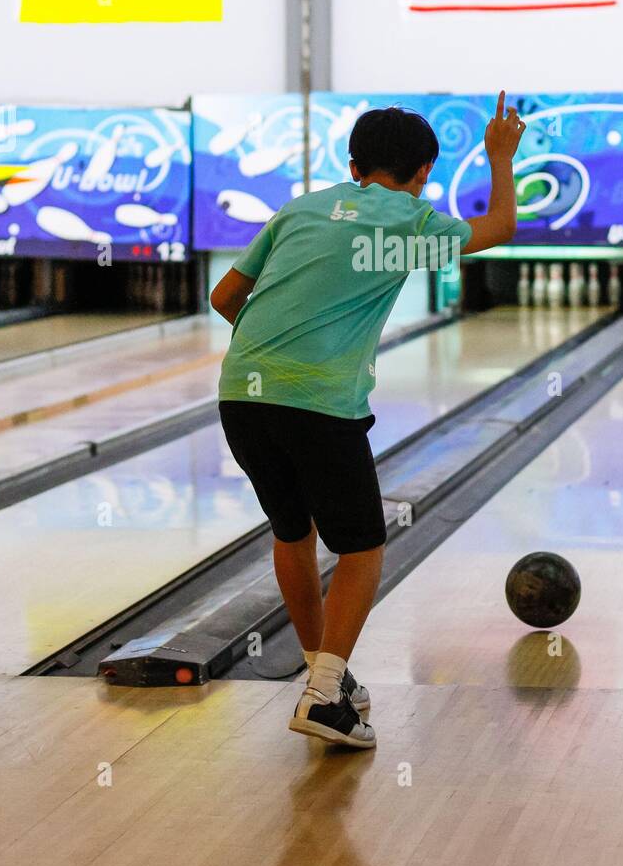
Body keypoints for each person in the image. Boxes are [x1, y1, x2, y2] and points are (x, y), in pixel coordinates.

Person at [212, 91, 525, 748]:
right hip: (321, 405)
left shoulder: (299, 210)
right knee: (361, 547)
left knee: (292, 531)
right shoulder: (408, 222)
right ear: (420, 176)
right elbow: (500, 227)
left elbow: (225, 296)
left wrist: (275, 348)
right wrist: (500, 156)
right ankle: (324, 698)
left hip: (242, 393)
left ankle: (327, 675)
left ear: (353, 166)